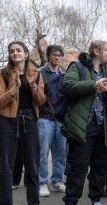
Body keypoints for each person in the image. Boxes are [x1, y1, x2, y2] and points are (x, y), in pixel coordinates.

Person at [60, 40, 107, 205]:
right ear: (96, 51)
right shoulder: (79, 66)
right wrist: (94, 84)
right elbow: (68, 86)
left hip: (104, 128)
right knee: (78, 167)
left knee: (100, 167)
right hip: (83, 126)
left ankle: (96, 202)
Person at [0, 41, 46, 205]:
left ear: (26, 54)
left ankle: (34, 203)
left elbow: (41, 101)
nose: (15, 53)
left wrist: (32, 85)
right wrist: (15, 87)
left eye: (18, 50)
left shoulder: (36, 75)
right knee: (5, 163)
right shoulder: (2, 74)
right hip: (7, 121)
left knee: (32, 163)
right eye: (12, 51)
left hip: (30, 120)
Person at [37, 45, 67, 197]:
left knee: (60, 152)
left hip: (60, 118)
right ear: (48, 55)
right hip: (44, 117)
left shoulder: (64, 74)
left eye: (59, 55)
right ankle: (42, 182)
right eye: (54, 54)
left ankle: (56, 180)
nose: (57, 57)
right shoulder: (40, 73)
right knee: (43, 152)